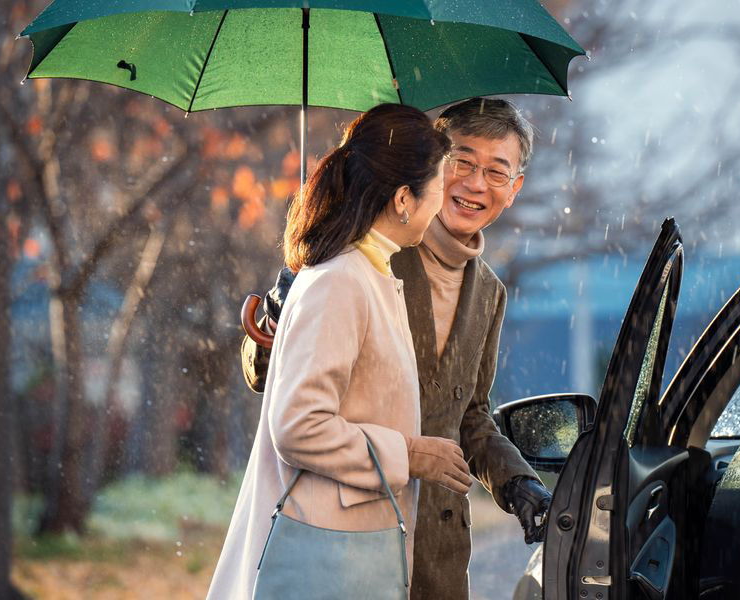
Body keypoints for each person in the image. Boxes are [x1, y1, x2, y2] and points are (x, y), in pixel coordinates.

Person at [239, 97, 553, 599]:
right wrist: (281, 312)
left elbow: (468, 416)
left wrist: (517, 484)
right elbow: (271, 383)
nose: (476, 184)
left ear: (514, 189)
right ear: (432, 166)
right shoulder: (368, 256)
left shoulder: (490, 293)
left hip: (438, 546)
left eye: (497, 172)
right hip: (352, 533)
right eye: (462, 162)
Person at [209, 104, 470, 599]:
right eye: (438, 185)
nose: (441, 202)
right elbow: (298, 425)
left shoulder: (368, 274)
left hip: (350, 549)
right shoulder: (340, 282)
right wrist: (408, 454)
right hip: (327, 553)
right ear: (403, 199)